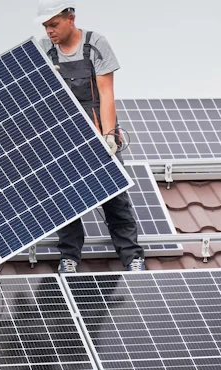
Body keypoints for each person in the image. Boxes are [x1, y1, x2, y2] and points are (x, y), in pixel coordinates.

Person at [37, 0, 145, 273]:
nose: (49, 30)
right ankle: (70, 257)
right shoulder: (44, 49)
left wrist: (109, 136)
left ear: (70, 19)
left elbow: (106, 93)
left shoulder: (95, 43)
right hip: (63, 134)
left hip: (97, 127)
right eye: (46, 26)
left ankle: (132, 256)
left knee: (114, 194)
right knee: (65, 195)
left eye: (54, 24)